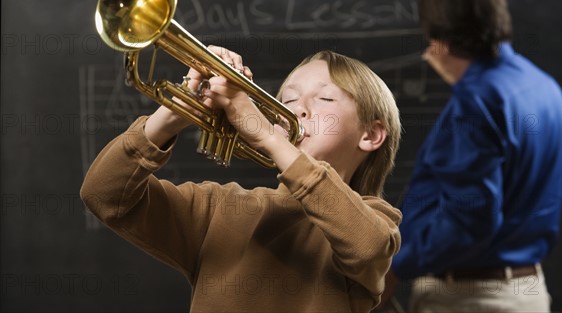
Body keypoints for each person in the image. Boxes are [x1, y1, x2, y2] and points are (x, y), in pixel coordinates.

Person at [80, 47, 403, 312]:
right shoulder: (217, 209)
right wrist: (174, 111)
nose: (299, 110)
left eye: (325, 99)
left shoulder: (377, 219)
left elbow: (367, 247)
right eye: (288, 100)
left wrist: (265, 135)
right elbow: (102, 194)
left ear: (371, 135)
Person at [381, 0, 562, 312]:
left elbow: (469, 219)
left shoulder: (477, 100)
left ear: (436, 36)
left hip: (470, 298)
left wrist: (397, 268)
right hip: (526, 291)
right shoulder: (544, 86)